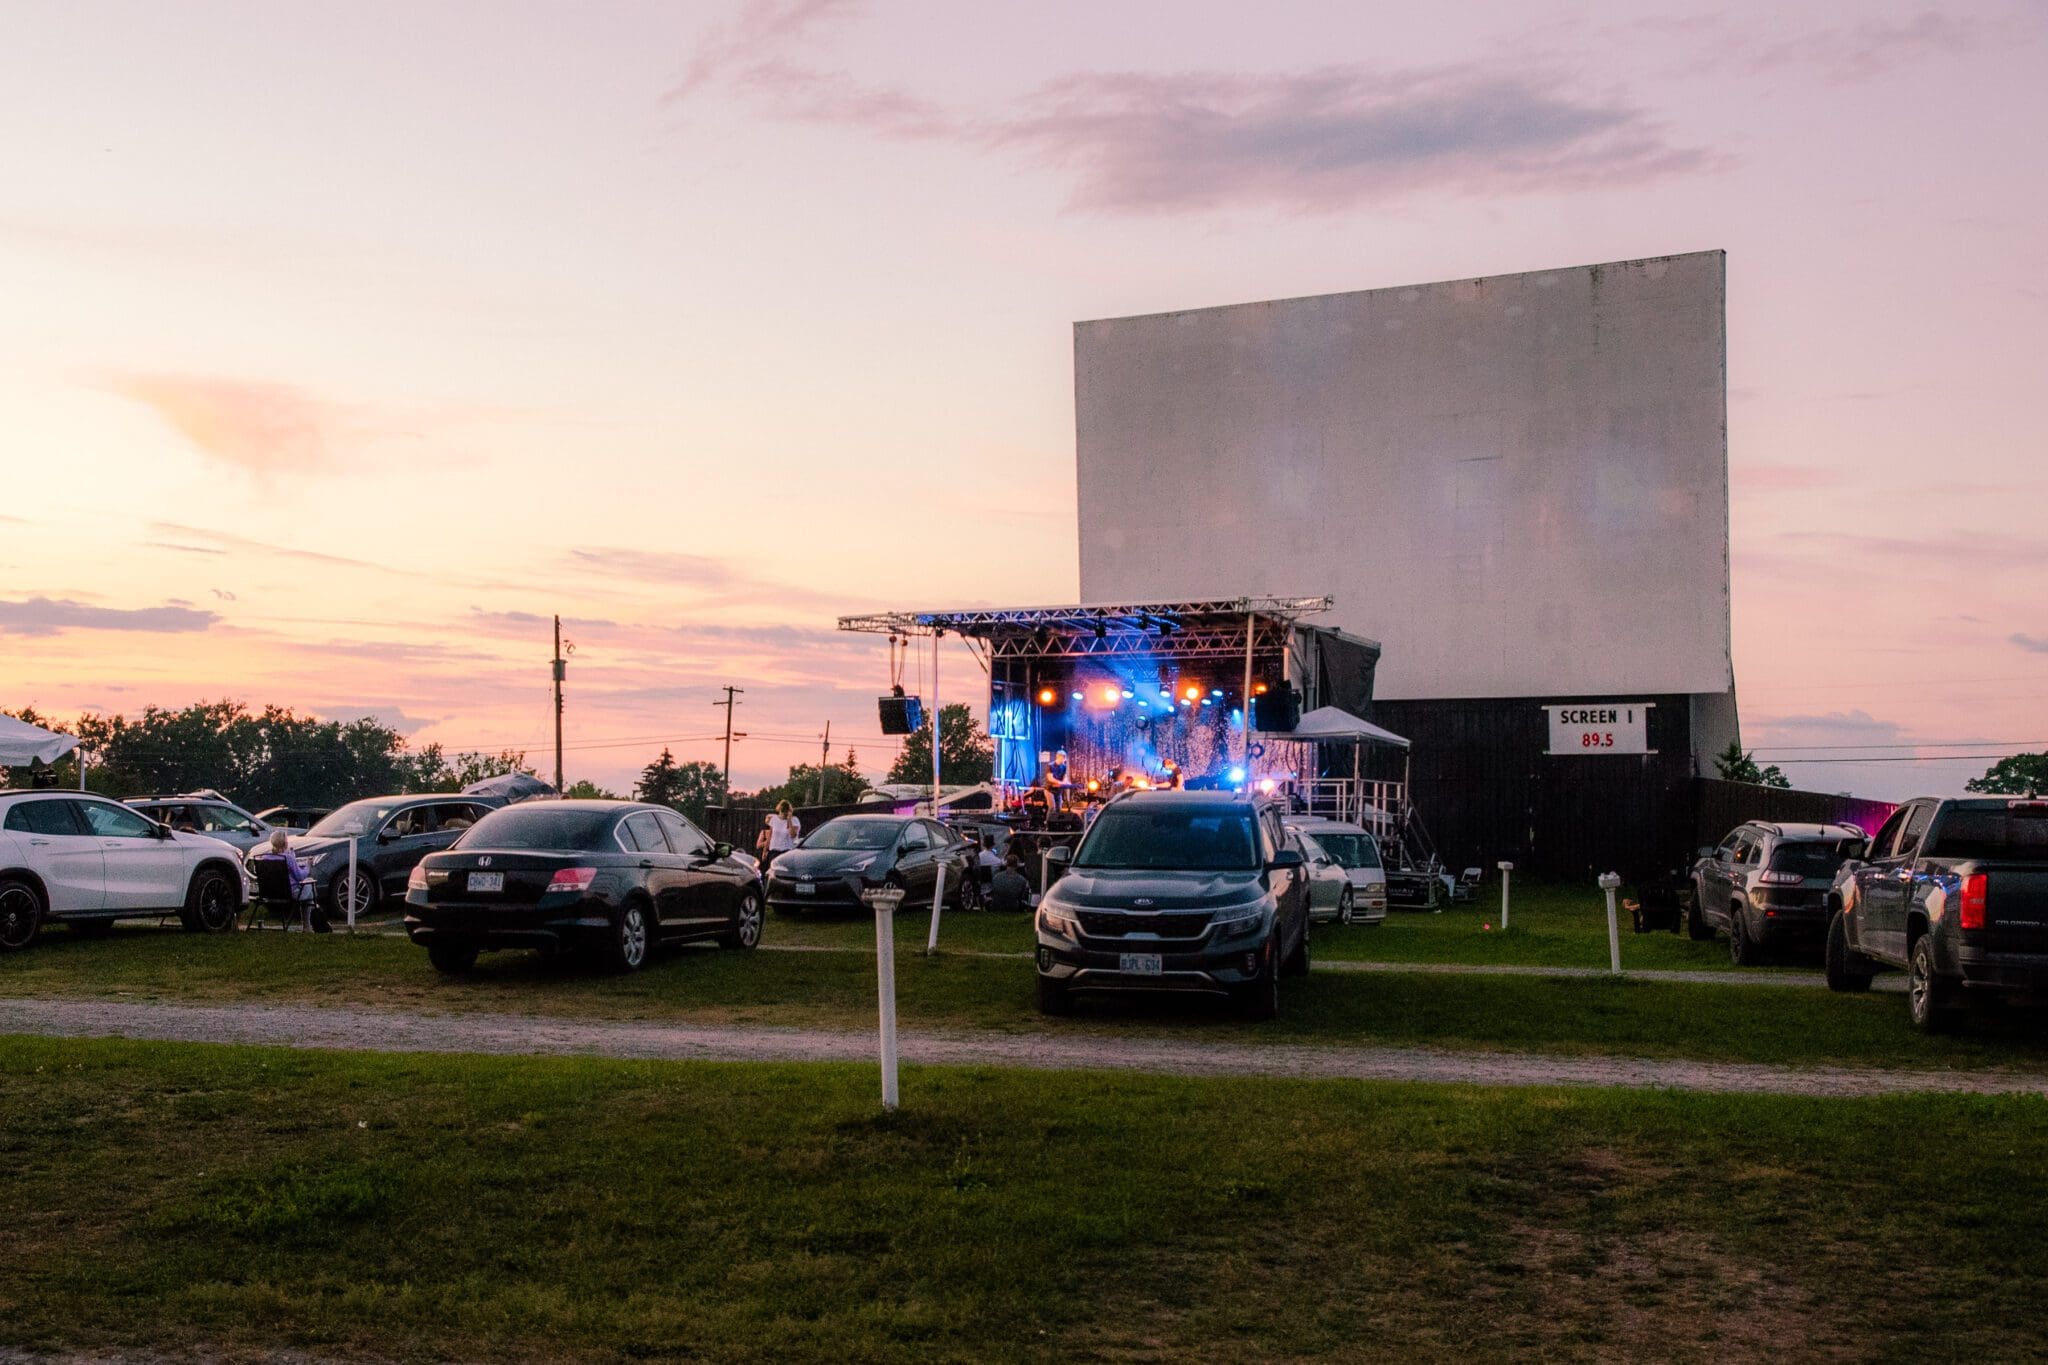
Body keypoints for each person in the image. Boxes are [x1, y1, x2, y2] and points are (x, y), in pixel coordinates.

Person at [252, 829, 327, 932]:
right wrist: (308, 866)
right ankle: (311, 922)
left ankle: (309, 924)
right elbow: (300, 876)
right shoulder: (288, 858)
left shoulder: (265, 857)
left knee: (309, 893)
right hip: (290, 894)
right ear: (285, 843)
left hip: (269, 893)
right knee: (310, 884)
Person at [764, 800, 801, 867]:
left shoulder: (794, 820)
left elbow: (793, 835)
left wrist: (789, 820)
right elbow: (770, 836)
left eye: (786, 811)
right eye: (782, 811)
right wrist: (765, 850)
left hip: (787, 850)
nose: (783, 813)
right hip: (774, 850)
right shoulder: (774, 819)